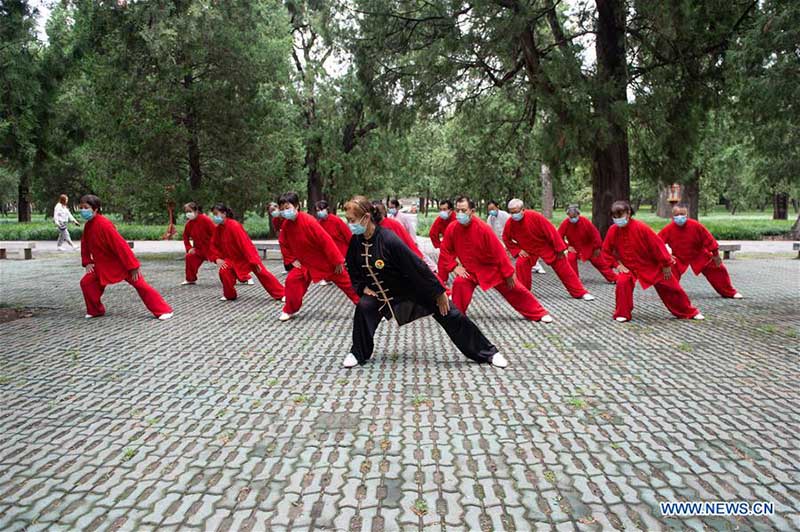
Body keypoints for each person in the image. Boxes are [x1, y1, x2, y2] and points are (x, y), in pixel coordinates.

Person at [342, 196, 507, 368]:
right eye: (348, 220)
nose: (350, 224)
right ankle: (358, 352)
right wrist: (363, 287)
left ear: (366, 217)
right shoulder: (356, 242)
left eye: (352, 220)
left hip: (411, 288)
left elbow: (417, 266)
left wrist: (438, 292)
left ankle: (488, 352)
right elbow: (352, 268)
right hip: (383, 293)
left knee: (450, 313)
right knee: (364, 306)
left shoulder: (388, 239)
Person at [442, 197, 553, 323]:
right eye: (457, 211)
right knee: (459, 283)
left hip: (490, 269)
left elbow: (499, 252)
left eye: (463, 210)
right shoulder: (452, 228)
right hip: (469, 270)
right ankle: (455, 315)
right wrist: (454, 267)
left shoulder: (483, 228)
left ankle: (538, 312)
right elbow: (445, 250)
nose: (460, 214)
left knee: (514, 288)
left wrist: (508, 273)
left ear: (472, 211)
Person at [602, 200, 704, 322]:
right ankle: (622, 312)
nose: (618, 219)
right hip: (629, 267)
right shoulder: (613, 230)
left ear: (628, 213)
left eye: (620, 216)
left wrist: (666, 264)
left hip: (651, 265)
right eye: (615, 217)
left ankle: (689, 311)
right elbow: (606, 251)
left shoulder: (641, 228)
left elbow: (657, 245)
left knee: (672, 287)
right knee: (622, 282)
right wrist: (617, 265)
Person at [78, 195, 173, 320]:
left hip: (121, 264)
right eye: (81, 208)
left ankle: (163, 310)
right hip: (101, 265)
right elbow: (85, 244)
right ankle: (95, 310)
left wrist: (133, 266)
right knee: (87, 283)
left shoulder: (104, 224)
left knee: (141, 285)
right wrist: (87, 261)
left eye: (86, 207)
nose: (83, 211)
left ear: (95, 209)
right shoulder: (89, 225)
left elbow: (120, 245)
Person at [277, 192, 359, 321]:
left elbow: (326, 241)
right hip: (304, 264)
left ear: (297, 206)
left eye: (287, 208)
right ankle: (289, 309)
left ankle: (367, 308)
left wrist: (337, 261)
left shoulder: (309, 221)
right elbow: (283, 242)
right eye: (282, 209)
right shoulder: (286, 225)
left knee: (347, 284)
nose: (284, 211)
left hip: (325, 262)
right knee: (292, 281)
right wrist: (291, 259)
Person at [503, 198, 595, 301]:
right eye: (511, 212)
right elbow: (506, 238)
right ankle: (523, 293)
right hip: (528, 249)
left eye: (515, 212)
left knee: (564, 268)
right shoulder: (510, 223)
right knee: (521, 263)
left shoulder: (535, 216)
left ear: (523, 209)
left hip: (545, 246)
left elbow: (551, 231)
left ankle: (580, 292)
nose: (513, 215)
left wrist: (559, 249)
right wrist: (518, 250)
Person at [658, 205, 742, 299]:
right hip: (679, 256)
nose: (680, 217)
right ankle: (670, 294)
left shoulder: (695, 225)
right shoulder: (668, 229)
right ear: (672, 216)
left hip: (699, 254)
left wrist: (715, 254)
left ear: (687, 214)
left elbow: (708, 238)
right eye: (677, 215)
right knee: (669, 271)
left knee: (718, 268)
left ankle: (729, 292)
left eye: (682, 214)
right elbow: (657, 243)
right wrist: (664, 260)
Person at [208, 203, 284, 302]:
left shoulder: (234, 225)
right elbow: (213, 245)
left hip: (247, 257)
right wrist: (216, 258)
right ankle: (229, 295)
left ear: (224, 213)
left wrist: (254, 260)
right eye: (213, 214)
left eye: (216, 214)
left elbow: (245, 244)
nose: (215, 217)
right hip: (232, 259)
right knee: (224, 271)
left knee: (262, 273)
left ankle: (281, 293)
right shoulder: (218, 229)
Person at [557, 204, 618, 283]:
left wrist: (597, 247)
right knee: (571, 259)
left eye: (574, 216)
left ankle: (614, 278)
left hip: (589, 247)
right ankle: (574, 280)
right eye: (570, 217)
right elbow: (558, 237)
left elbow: (595, 235)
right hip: (574, 247)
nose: (573, 219)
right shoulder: (565, 223)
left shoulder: (585, 222)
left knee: (600, 263)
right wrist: (567, 246)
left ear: (578, 214)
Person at [487, 200, 545, 274]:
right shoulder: (490, 218)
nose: (491, 211)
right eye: (489, 210)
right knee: (505, 255)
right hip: (501, 239)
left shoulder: (504, 215)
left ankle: (537, 266)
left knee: (525, 252)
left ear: (497, 207)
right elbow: (490, 231)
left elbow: (512, 224)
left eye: (493, 208)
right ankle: (506, 269)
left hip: (513, 237)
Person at [181, 202, 218, 285]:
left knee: (226, 262)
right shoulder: (189, 224)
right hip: (199, 249)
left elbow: (216, 233)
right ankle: (190, 279)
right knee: (190, 257)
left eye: (189, 211)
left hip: (211, 248)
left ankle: (244, 277)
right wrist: (189, 248)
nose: (188, 213)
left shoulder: (205, 220)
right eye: (186, 212)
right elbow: (185, 237)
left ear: (196, 210)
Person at [428, 199, 457, 286]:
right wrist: (439, 245)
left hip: (459, 246)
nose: (442, 212)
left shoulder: (457, 219)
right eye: (440, 209)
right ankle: (442, 282)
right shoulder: (440, 219)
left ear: (451, 210)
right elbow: (432, 233)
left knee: (462, 267)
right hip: (446, 246)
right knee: (442, 266)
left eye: (444, 209)